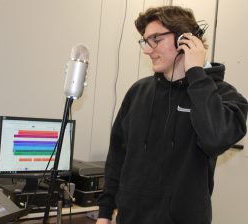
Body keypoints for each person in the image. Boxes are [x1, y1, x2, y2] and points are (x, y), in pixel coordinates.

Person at [96, 5, 248, 224]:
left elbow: (215, 139)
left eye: (155, 39)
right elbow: (118, 156)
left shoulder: (223, 95)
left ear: (185, 40)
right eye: (144, 41)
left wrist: (196, 73)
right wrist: (104, 212)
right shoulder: (138, 92)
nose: (147, 50)